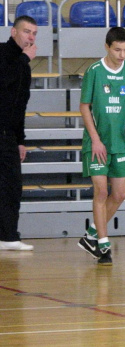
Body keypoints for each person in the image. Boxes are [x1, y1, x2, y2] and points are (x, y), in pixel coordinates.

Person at [77, 27, 125, 266]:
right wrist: (94, 139)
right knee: (101, 192)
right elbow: (85, 106)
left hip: (119, 142)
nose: (122, 54)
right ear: (107, 46)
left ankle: (91, 235)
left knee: (121, 193)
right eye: (117, 50)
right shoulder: (94, 71)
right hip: (96, 142)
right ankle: (103, 244)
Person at [0, 16, 37, 251]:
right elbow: (3, 81)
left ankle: (8, 237)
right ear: (14, 31)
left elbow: (20, 105)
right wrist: (24, 59)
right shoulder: (3, 53)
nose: (31, 37)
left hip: (8, 136)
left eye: (34, 33)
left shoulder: (24, 66)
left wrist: (20, 140)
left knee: (12, 186)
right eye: (26, 31)